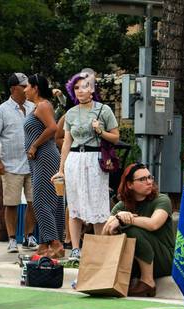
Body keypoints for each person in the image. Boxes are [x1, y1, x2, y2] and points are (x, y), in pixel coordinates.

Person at [59, 70, 119, 262]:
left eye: (84, 86)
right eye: (76, 88)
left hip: (95, 159)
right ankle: (75, 249)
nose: (79, 91)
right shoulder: (71, 113)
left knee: (98, 203)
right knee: (74, 205)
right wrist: (61, 169)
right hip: (75, 159)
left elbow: (116, 137)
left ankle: (99, 248)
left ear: (92, 89)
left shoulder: (104, 110)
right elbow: (67, 142)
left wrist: (100, 131)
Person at [104, 163, 174, 297]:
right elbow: (105, 233)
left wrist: (125, 219)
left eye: (150, 177)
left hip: (164, 259)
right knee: (121, 230)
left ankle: (148, 282)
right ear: (130, 185)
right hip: (135, 260)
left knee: (130, 230)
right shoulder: (121, 205)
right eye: (142, 179)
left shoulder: (162, 199)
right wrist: (116, 221)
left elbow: (154, 224)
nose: (149, 182)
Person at [0, 72, 37, 253]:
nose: (26, 89)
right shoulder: (2, 110)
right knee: (11, 203)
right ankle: (11, 239)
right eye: (23, 86)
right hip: (10, 165)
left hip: (33, 164)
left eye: (27, 86)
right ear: (13, 89)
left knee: (34, 202)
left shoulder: (34, 107)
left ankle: (29, 236)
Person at [24, 73, 65, 258]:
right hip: (38, 158)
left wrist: (34, 145)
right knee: (49, 200)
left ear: (35, 88)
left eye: (27, 86)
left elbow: (53, 128)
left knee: (40, 201)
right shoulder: (37, 107)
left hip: (45, 156)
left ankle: (55, 243)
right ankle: (43, 245)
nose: (25, 90)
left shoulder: (43, 105)